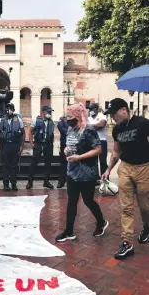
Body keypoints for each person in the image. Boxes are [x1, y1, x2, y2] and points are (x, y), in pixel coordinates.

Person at [102, 98, 149, 259]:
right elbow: (116, 151)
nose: (112, 118)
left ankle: (147, 227)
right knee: (126, 207)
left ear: (123, 110)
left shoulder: (143, 123)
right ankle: (127, 242)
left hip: (144, 168)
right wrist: (108, 169)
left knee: (145, 207)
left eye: (113, 114)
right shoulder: (117, 130)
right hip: (126, 168)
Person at [55, 103, 109, 243]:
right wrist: (66, 150)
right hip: (72, 171)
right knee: (71, 201)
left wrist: (79, 157)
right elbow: (70, 145)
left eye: (70, 116)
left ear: (78, 116)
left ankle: (101, 222)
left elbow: (98, 149)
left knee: (88, 200)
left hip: (87, 172)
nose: (68, 119)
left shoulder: (88, 130)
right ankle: (69, 231)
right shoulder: (71, 129)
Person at [0, 103, 25, 191]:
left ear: (13, 110)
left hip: (15, 145)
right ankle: (6, 184)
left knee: (14, 165)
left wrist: (22, 146)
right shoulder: (0, 120)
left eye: (10, 108)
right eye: (7, 108)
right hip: (5, 145)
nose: (9, 110)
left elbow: (23, 133)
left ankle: (14, 184)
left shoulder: (18, 119)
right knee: (5, 165)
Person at [26, 106, 55, 190]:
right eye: (48, 112)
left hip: (48, 145)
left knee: (48, 163)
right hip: (38, 144)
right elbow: (30, 131)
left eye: (50, 112)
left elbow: (51, 133)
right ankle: (30, 182)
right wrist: (32, 144)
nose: (50, 113)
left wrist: (51, 141)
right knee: (34, 163)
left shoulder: (51, 121)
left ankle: (46, 181)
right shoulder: (36, 121)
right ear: (43, 112)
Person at [88, 103, 108, 176]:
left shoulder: (102, 116)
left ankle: (105, 181)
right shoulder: (89, 118)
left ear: (96, 109)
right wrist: (95, 126)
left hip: (101, 141)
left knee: (102, 161)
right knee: (92, 161)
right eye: (89, 109)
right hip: (91, 142)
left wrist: (89, 126)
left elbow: (101, 125)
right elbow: (85, 128)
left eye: (91, 109)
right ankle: (95, 178)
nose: (90, 110)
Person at [57, 114, 68, 188]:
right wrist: (72, 131)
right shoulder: (62, 120)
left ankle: (71, 181)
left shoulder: (76, 120)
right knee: (63, 164)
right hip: (64, 145)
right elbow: (61, 128)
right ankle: (61, 181)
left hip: (74, 145)